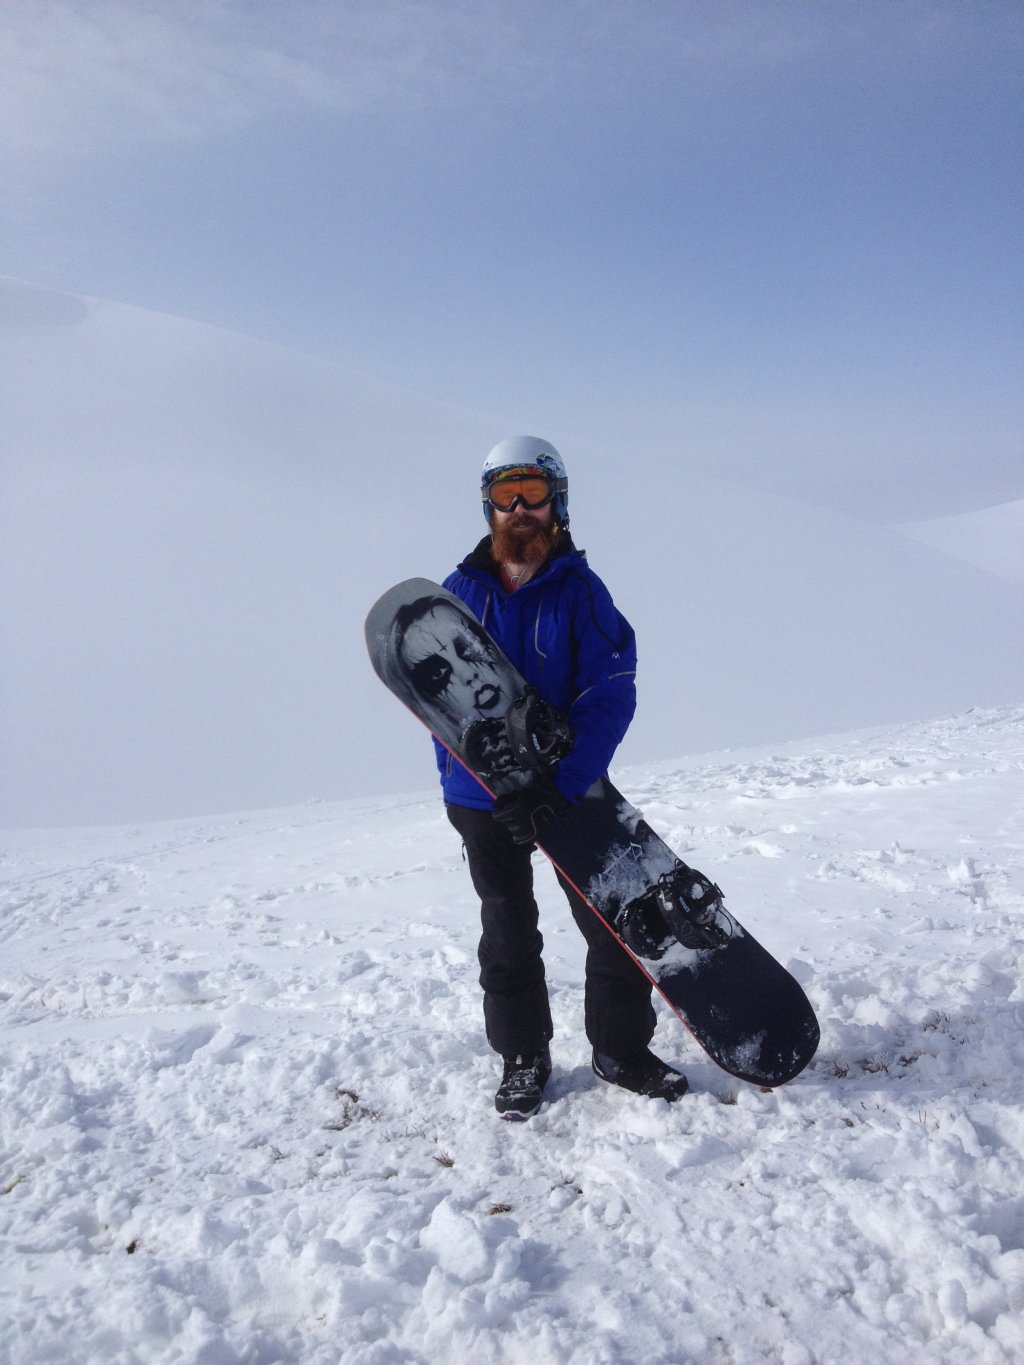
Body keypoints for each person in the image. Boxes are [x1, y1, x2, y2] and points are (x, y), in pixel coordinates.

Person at [438, 436, 689, 1119]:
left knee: (611, 922)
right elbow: (437, 701)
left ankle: (621, 1051)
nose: (520, 508)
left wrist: (562, 783)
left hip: (567, 790)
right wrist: (475, 782)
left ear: (559, 501)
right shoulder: (457, 594)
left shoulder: (581, 592)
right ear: (487, 505)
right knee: (507, 930)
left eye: (534, 493)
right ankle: (523, 1056)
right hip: (481, 799)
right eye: (505, 494)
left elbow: (609, 693)